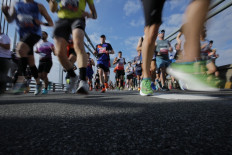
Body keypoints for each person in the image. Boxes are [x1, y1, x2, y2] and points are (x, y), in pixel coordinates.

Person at [2, 0, 54, 95]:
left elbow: (51, 23)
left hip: (34, 34)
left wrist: (41, 23)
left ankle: (20, 82)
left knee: (20, 49)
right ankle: (38, 83)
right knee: (31, 62)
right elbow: (10, 20)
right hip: (22, 37)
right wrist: (5, 13)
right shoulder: (16, 4)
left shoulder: (39, 6)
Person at [48, 0, 97, 94]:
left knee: (78, 43)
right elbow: (53, 10)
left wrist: (89, 15)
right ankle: (73, 76)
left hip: (78, 18)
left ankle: (83, 81)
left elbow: (95, 14)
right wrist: (53, 3)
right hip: (62, 19)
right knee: (59, 53)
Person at [0, 24, 11, 94]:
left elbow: (8, 47)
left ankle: (2, 89)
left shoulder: (4, 36)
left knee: (2, 76)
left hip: (4, 58)